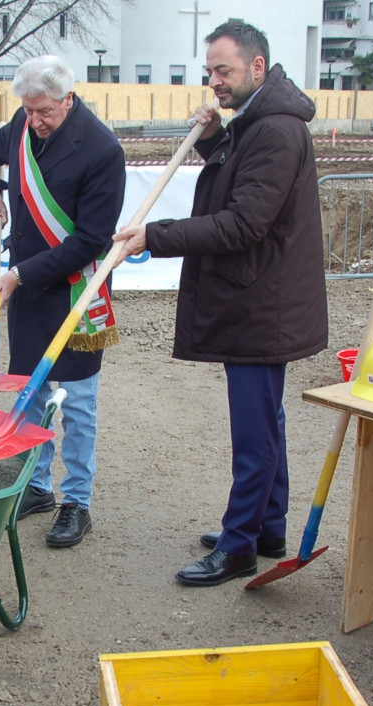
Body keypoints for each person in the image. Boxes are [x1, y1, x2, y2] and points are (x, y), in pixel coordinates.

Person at [114, 21, 327, 586]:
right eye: (210, 71)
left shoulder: (276, 130)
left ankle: (238, 548)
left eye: (224, 70)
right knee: (266, 422)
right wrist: (212, 140)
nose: (214, 82)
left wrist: (155, 236)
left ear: (258, 67)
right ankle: (266, 529)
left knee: (255, 433)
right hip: (258, 297)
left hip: (263, 304)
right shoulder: (256, 122)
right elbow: (239, 184)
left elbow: (243, 223)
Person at [0, 55, 126, 548]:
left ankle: (77, 501)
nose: (34, 121)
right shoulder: (23, 124)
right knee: (30, 394)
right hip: (28, 292)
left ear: (68, 99)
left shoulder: (102, 150)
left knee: (77, 403)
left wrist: (17, 275)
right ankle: (36, 487)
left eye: (44, 112)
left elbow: (91, 241)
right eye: (28, 110)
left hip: (77, 291)